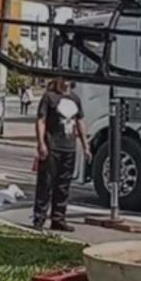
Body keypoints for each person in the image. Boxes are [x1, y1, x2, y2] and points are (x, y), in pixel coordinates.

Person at [32, 77, 89, 231]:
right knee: (46, 183)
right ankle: (39, 219)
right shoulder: (49, 97)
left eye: (68, 79)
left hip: (69, 148)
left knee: (63, 186)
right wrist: (41, 143)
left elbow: (80, 122)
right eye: (62, 79)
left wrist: (85, 146)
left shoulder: (75, 99)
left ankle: (58, 218)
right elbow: (41, 121)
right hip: (52, 147)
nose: (65, 82)